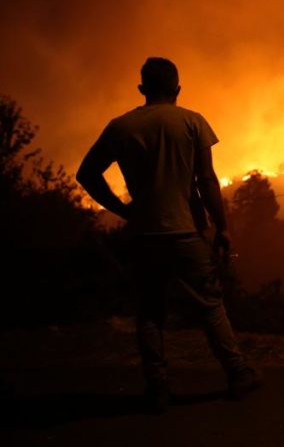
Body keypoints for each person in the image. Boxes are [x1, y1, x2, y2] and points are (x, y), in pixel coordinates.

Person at [77, 57, 259, 413]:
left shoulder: (121, 127)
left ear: (142, 89)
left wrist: (122, 209)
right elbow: (206, 179)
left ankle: (158, 388)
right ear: (177, 88)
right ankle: (237, 374)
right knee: (210, 306)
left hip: (145, 235)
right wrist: (222, 227)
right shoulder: (192, 122)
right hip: (187, 232)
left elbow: (87, 174)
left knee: (149, 312)